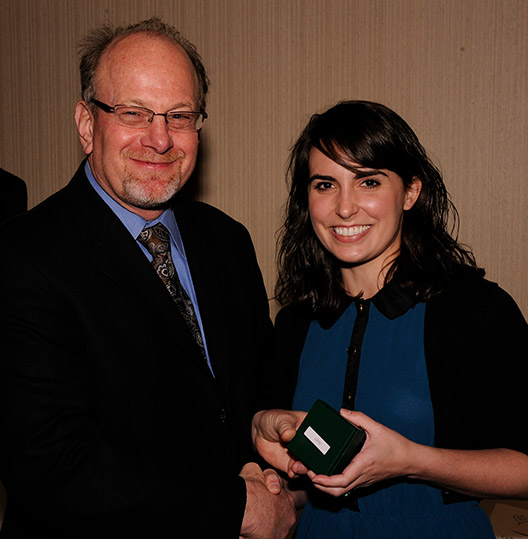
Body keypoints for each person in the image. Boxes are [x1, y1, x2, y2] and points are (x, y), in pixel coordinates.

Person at [0, 18, 295, 538]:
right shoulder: (22, 257)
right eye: (134, 113)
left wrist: (257, 432)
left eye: (179, 116)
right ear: (87, 124)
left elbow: (247, 387)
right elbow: (53, 464)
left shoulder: (227, 241)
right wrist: (233, 507)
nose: (160, 139)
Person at [252, 100, 528, 538]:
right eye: (325, 184)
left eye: (369, 182)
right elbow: (301, 481)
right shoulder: (294, 324)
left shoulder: (474, 311)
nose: (345, 208)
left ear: (411, 191)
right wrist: (268, 461)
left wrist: (412, 461)